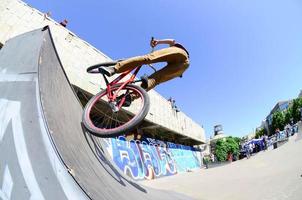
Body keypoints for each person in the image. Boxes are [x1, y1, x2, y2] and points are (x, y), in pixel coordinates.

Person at [99, 38, 190, 91]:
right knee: (155, 80)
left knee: (148, 58)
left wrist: (158, 42)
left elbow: (172, 41)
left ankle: (114, 69)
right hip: (183, 67)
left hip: (180, 53)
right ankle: (130, 98)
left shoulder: (176, 47)